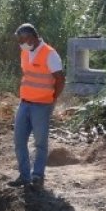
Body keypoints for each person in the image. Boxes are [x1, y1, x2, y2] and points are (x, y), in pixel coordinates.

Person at [11, 23, 65, 190]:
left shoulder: (50, 54)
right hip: (25, 103)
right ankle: (24, 176)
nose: (21, 43)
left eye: (23, 39)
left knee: (40, 142)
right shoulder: (25, 52)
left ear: (33, 37)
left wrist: (53, 97)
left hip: (42, 105)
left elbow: (60, 79)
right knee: (19, 140)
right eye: (19, 40)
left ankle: (37, 176)